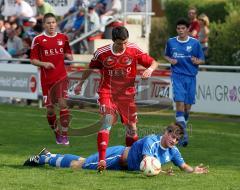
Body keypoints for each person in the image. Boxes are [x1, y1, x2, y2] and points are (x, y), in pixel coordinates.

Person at [74, 26, 160, 172]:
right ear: (114, 41)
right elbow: (90, 68)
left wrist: (149, 69)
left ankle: (132, 158)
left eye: (126, 42)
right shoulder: (102, 53)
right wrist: (80, 83)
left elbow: (154, 62)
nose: (124, 46)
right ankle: (102, 160)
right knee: (106, 122)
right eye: (121, 43)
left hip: (127, 96)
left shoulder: (133, 49)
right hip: (107, 93)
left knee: (132, 128)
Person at [23, 123, 208, 175]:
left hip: (125, 166)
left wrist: (194, 171)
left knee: (82, 161)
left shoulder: (173, 151)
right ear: (165, 133)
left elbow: (183, 166)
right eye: (172, 136)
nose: (174, 140)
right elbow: (147, 163)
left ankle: (48, 155)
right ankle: (43, 158)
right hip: (117, 157)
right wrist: (161, 171)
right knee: (77, 166)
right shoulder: (152, 141)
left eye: (177, 139)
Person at [30, 13, 73, 145]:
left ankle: (65, 134)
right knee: (50, 110)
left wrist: (69, 57)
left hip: (61, 78)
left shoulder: (63, 38)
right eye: (48, 23)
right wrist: (44, 64)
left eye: (53, 22)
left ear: (56, 23)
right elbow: (33, 60)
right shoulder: (38, 39)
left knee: (63, 105)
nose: (51, 25)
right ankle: (57, 134)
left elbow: (68, 52)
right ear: (44, 25)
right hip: (46, 80)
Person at [164, 18, 205, 147]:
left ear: (187, 29)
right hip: (177, 76)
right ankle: (184, 135)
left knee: (187, 108)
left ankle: (180, 130)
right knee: (180, 105)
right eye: (178, 28)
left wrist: (196, 61)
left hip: (191, 77)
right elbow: (166, 55)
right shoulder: (171, 42)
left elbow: (202, 60)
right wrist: (170, 60)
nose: (181, 31)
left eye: (183, 28)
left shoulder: (195, 43)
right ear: (177, 29)